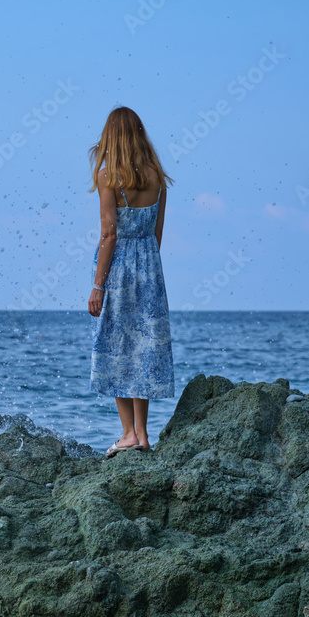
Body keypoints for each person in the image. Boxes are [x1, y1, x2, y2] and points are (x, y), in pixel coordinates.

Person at [86, 106, 175, 457]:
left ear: (113, 138)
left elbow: (109, 235)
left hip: (119, 270)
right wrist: (146, 268)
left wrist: (98, 286)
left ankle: (126, 434)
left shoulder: (109, 177)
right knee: (143, 349)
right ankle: (142, 433)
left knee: (117, 348)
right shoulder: (156, 177)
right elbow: (156, 235)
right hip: (151, 271)